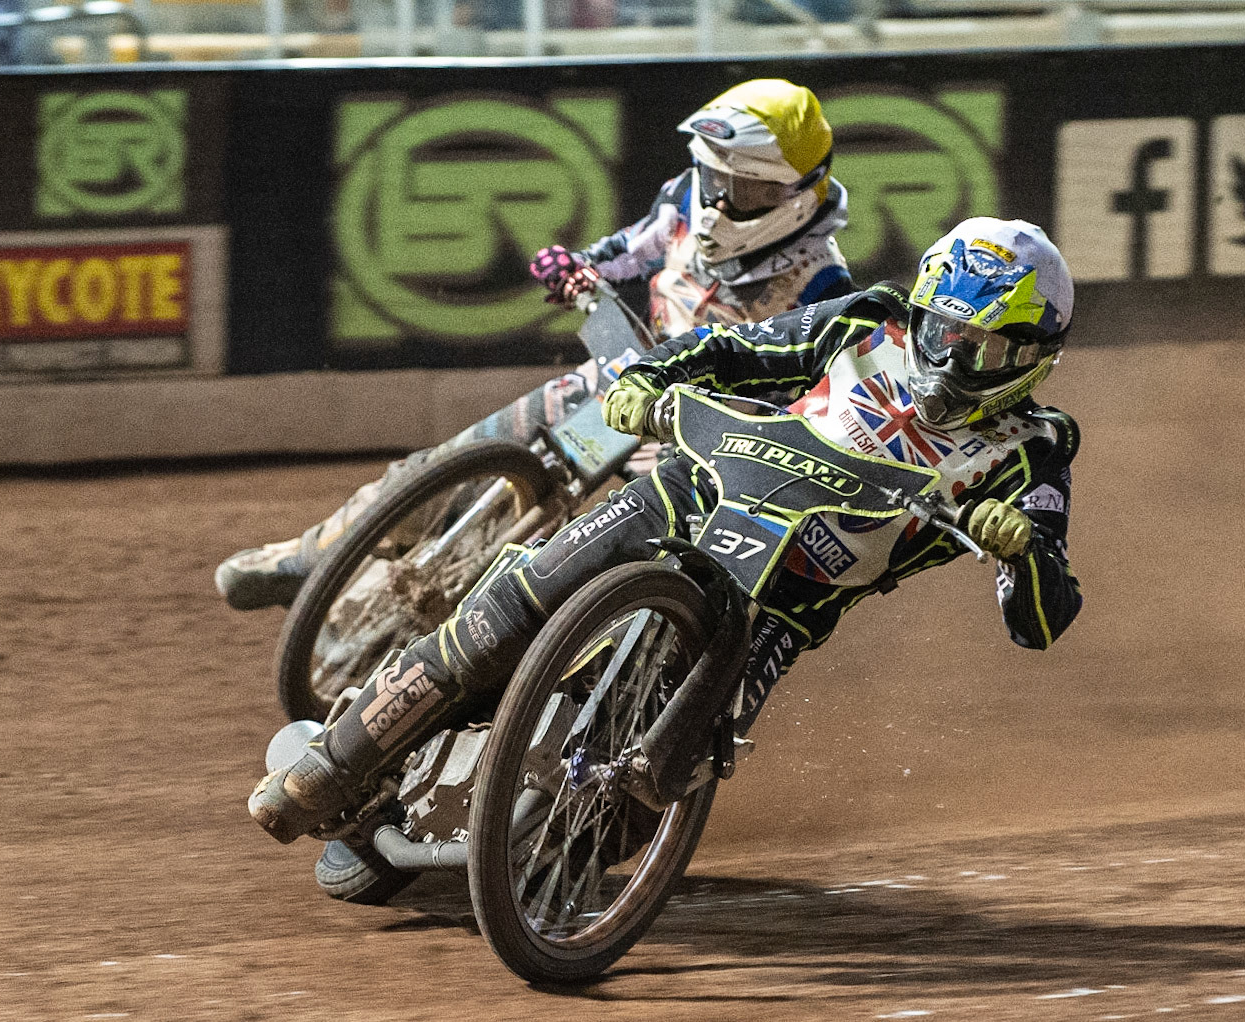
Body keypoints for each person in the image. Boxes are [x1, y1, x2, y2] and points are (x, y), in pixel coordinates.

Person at [248, 215, 1085, 844]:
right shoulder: (866, 321)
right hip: (692, 492)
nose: (949, 361)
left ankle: (549, 849)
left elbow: (1042, 620)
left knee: (639, 809)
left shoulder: (1036, 450)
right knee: (513, 604)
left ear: (1034, 358)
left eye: (984, 351)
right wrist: (643, 383)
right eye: (944, 331)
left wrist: (1022, 550)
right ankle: (334, 763)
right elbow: (731, 350)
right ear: (923, 305)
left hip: (782, 608)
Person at [215, 78, 855, 611]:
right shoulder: (685, 201)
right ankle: (309, 556)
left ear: (797, 197)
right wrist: (579, 267)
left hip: (697, 441)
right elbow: (628, 251)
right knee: (443, 465)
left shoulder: (825, 285)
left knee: (592, 581)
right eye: (714, 177)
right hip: (619, 377)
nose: (718, 202)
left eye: (743, 191)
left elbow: (808, 405)